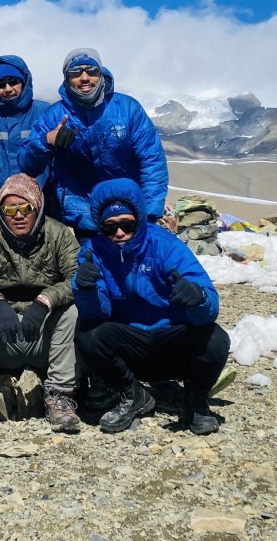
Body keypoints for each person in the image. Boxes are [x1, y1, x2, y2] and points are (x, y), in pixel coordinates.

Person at [72, 177, 229, 436]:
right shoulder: (93, 253)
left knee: (215, 339)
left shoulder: (166, 246)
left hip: (173, 339)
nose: (119, 233)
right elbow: (98, 313)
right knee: (89, 335)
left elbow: (209, 306)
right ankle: (133, 394)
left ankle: (196, 399)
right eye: (110, 227)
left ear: (139, 219)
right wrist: (85, 289)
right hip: (132, 344)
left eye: (127, 224)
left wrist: (197, 297)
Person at [0, 174, 80, 434]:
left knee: (71, 312)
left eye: (26, 208)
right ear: (1, 211)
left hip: (41, 334)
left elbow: (76, 278)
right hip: (2, 334)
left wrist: (45, 301)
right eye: (10, 209)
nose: (18, 215)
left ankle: (60, 398)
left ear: (38, 208)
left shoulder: (59, 234)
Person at [21, 49, 168, 240]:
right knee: (92, 269)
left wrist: (149, 213)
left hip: (130, 215)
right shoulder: (54, 116)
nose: (84, 78)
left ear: (101, 74)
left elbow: (152, 161)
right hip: (86, 217)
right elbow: (26, 164)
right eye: (75, 73)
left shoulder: (128, 109)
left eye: (91, 71)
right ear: (66, 79)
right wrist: (46, 141)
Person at [0, 55, 51, 221]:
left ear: (24, 81)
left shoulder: (44, 112)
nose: (8, 88)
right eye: (0, 84)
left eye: (13, 82)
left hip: (42, 206)